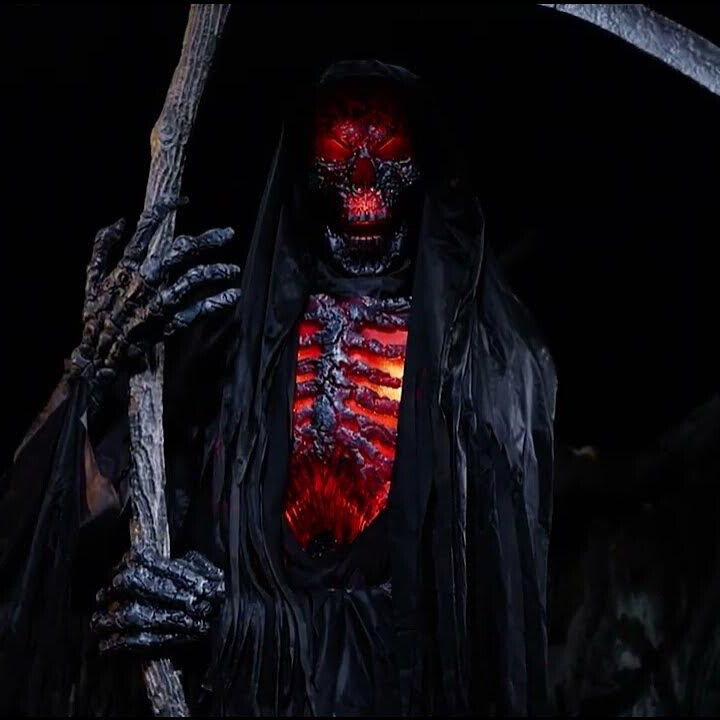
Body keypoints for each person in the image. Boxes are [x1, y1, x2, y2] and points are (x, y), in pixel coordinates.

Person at [0, 60, 556, 716]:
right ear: (304, 161)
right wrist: (89, 368)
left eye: (386, 149)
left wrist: (236, 627)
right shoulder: (228, 353)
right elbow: (44, 536)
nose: (362, 176)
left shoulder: (487, 368)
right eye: (339, 150)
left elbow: (471, 644)